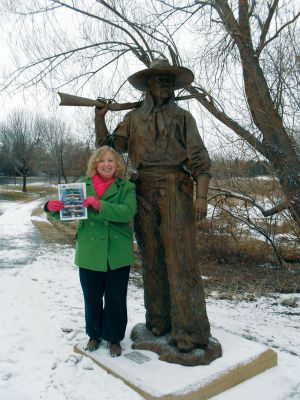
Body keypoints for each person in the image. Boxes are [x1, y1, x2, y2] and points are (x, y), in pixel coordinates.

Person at [94, 58, 212, 353]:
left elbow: (200, 161)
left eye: (169, 80)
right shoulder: (133, 119)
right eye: (159, 79)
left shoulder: (184, 118)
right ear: (148, 85)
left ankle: (190, 333)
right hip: (142, 191)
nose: (165, 84)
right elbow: (108, 148)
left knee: (181, 260)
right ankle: (158, 322)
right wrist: (100, 118)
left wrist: (201, 197)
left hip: (176, 191)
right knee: (153, 261)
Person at [44, 146, 137, 357]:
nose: (106, 164)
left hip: (117, 253)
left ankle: (114, 339)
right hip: (89, 251)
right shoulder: (81, 187)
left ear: (117, 165)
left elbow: (128, 212)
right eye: (102, 160)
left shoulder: (127, 188)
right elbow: (69, 213)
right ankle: (94, 335)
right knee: (92, 298)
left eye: (111, 161)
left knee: (116, 299)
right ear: (95, 163)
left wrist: (99, 204)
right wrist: (51, 207)